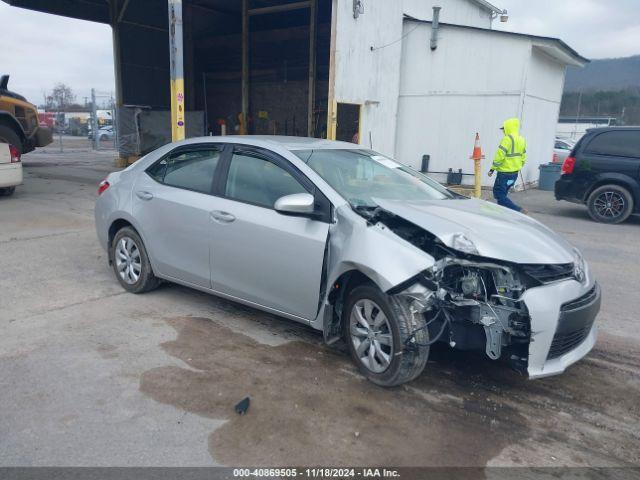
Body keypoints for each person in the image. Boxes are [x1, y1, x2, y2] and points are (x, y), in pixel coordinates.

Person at [488, 118, 528, 214]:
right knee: (503, 195)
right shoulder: (522, 139)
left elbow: (499, 156)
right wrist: (518, 166)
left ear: (508, 128)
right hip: (514, 174)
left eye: (504, 129)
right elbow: (523, 156)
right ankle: (502, 214)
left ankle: (517, 210)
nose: (503, 131)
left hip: (504, 174)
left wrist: (492, 169)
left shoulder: (507, 139)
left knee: (498, 194)